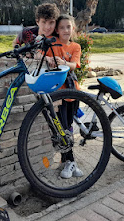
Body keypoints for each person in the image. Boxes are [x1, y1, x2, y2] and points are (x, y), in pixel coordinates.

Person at [46, 14, 83, 179]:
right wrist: (48, 58)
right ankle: (69, 161)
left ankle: (69, 161)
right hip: (57, 93)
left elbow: (74, 65)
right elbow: (40, 55)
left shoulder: (75, 46)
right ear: (57, 30)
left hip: (72, 92)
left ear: (73, 28)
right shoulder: (52, 45)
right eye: (62, 27)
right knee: (61, 127)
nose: (66, 30)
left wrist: (63, 63)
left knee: (67, 128)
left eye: (68, 27)